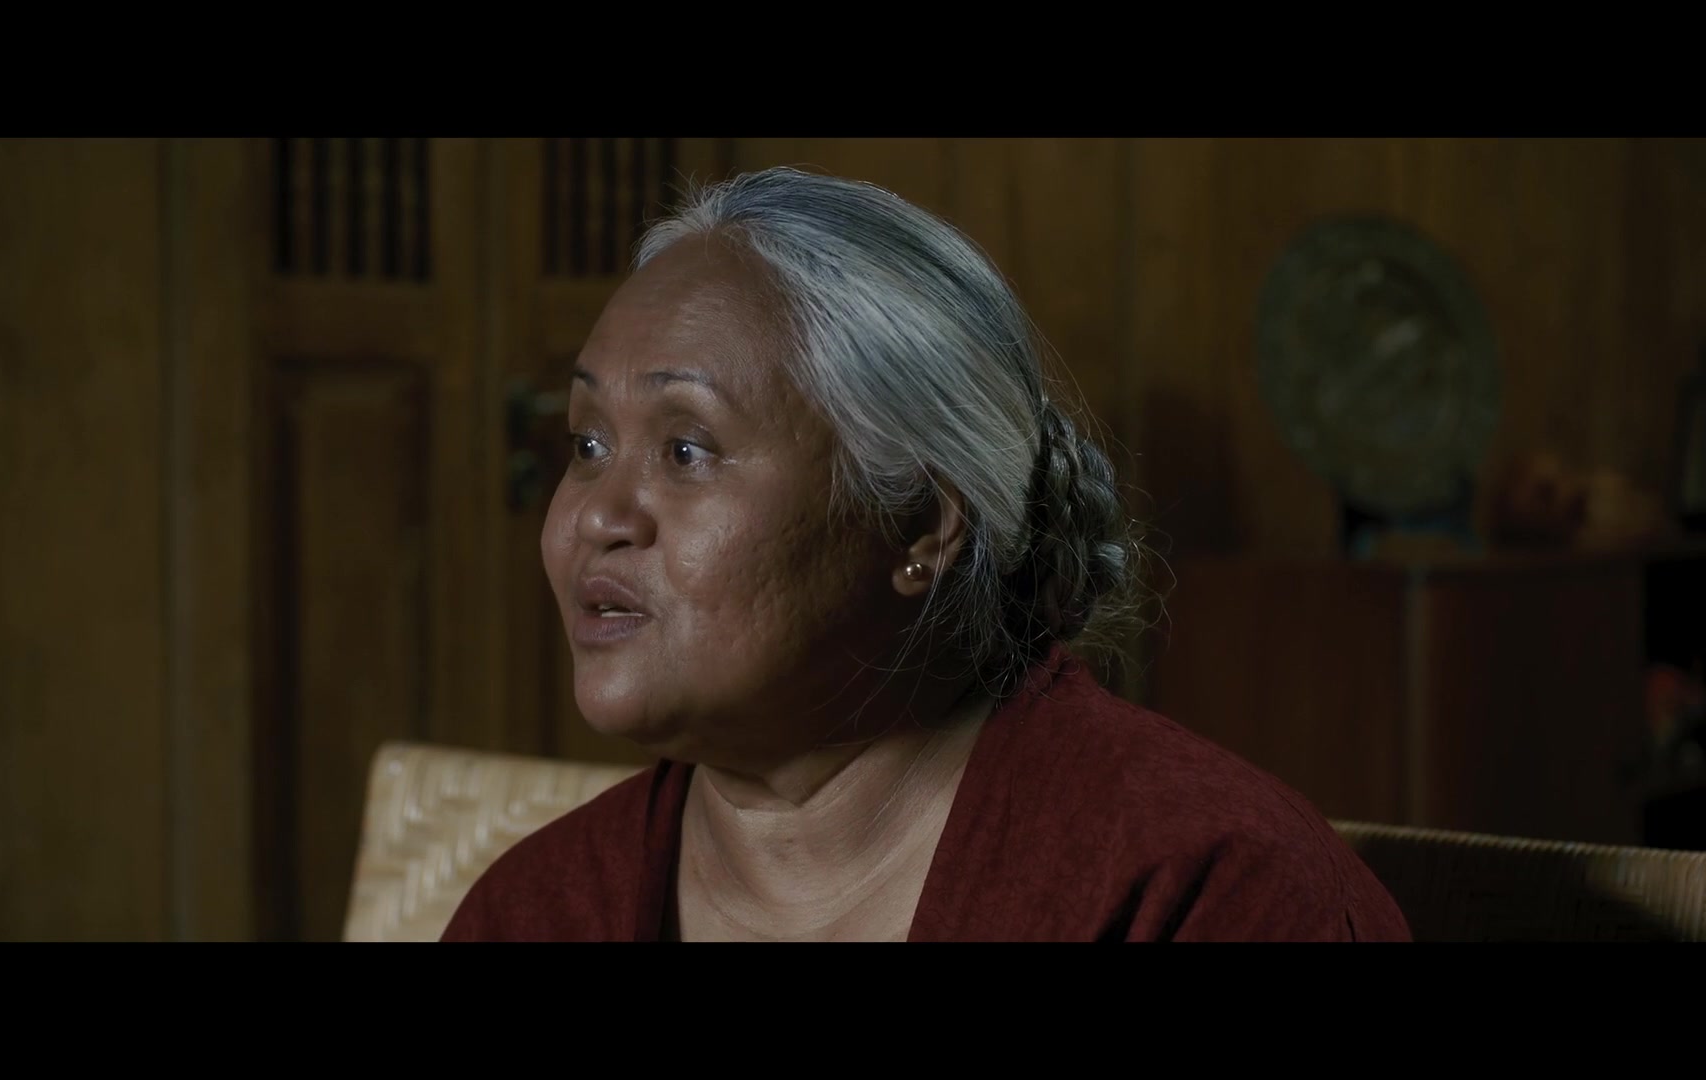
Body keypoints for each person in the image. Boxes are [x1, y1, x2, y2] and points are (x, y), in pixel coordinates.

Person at [442, 167, 1411, 941]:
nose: (596, 518)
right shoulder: (537, 912)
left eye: (686, 450)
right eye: (588, 445)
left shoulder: (1206, 893)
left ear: (923, 526)